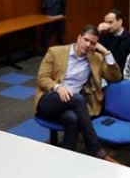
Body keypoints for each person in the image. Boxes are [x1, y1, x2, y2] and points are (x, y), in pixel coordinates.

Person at [34, 25, 122, 162]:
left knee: (72, 119)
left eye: (93, 43)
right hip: (49, 100)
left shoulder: (96, 58)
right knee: (79, 99)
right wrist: (58, 88)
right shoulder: (55, 52)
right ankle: (95, 149)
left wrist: (106, 53)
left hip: (70, 105)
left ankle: (65, 159)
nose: (88, 45)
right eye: (86, 40)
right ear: (79, 37)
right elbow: (42, 78)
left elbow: (115, 77)